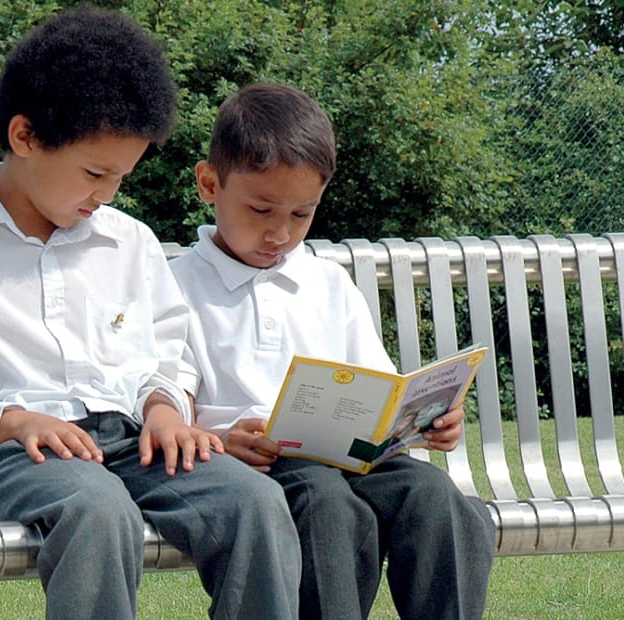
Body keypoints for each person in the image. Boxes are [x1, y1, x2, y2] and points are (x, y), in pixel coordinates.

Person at [0, 8, 301, 620]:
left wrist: (164, 408)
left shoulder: (129, 242)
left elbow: (166, 353)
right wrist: (13, 420)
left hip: (129, 442)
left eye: (121, 177)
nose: (106, 195)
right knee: (97, 507)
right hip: (4, 459)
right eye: (94, 173)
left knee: (255, 502)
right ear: (25, 137)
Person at [169, 83, 495, 620]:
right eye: (260, 208)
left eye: (301, 215)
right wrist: (221, 442)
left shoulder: (328, 285)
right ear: (210, 183)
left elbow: (381, 389)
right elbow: (167, 406)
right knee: (326, 503)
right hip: (258, 468)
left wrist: (428, 419)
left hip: (353, 459)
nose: (279, 231)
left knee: (438, 498)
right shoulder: (176, 288)